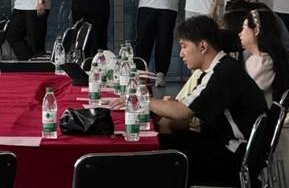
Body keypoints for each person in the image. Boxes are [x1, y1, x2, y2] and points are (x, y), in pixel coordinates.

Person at [111, 16, 267, 187]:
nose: (181, 54)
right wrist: (165, 112)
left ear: (202, 46)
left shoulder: (223, 72)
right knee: (161, 140)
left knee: (154, 155)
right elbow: (185, 117)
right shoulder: (218, 69)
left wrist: (140, 99)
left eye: (184, 46)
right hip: (225, 145)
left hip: (234, 156)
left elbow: (182, 112)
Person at [239, 6, 289, 106]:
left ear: (256, 30)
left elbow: (246, 97)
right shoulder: (253, 58)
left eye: (244, 28)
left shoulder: (266, 64)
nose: (240, 34)